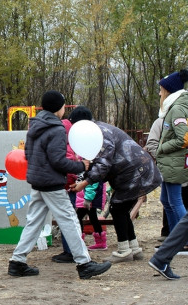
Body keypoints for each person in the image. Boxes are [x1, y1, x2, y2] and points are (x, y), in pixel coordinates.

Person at [8, 91, 111, 279]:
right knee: (70, 220)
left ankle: (17, 261)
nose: (64, 109)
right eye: (63, 105)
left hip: (38, 181)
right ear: (58, 108)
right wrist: (81, 165)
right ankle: (84, 263)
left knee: (34, 222)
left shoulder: (35, 125)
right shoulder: (56, 129)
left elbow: (28, 155)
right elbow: (58, 161)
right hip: (51, 183)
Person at [70, 106, 162, 263]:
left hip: (134, 172)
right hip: (135, 171)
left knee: (118, 208)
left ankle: (124, 251)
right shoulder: (99, 129)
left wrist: (84, 183)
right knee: (122, 209)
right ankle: (134, 248)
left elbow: (103, 165)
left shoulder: (98, 134)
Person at [154, 69, 188, 243]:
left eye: (161, 89)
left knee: (175, 201)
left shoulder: (177, 109)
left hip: (174, 163)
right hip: (169, 164)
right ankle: (175, 237)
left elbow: (184, 138)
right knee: (166, 200)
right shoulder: (173, 107)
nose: (159, 93)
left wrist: (162, 148)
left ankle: (186, 239)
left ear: (168, 91)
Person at [51, 118, 81, 263]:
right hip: (69, 187)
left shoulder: (65, 148)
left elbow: (68, 168)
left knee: (66, 221)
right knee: (68, 219)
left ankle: (69, 251)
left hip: (67, 188)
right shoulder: (73, 146)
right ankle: (69, 250)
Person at [75, 179, 108, 250]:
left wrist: (88, 198)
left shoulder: (92, 171)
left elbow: (91, 184)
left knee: (78, 217)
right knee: (93, 218)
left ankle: (80, 242)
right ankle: (101, 242)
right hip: (89, 197)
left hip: (88, 198)